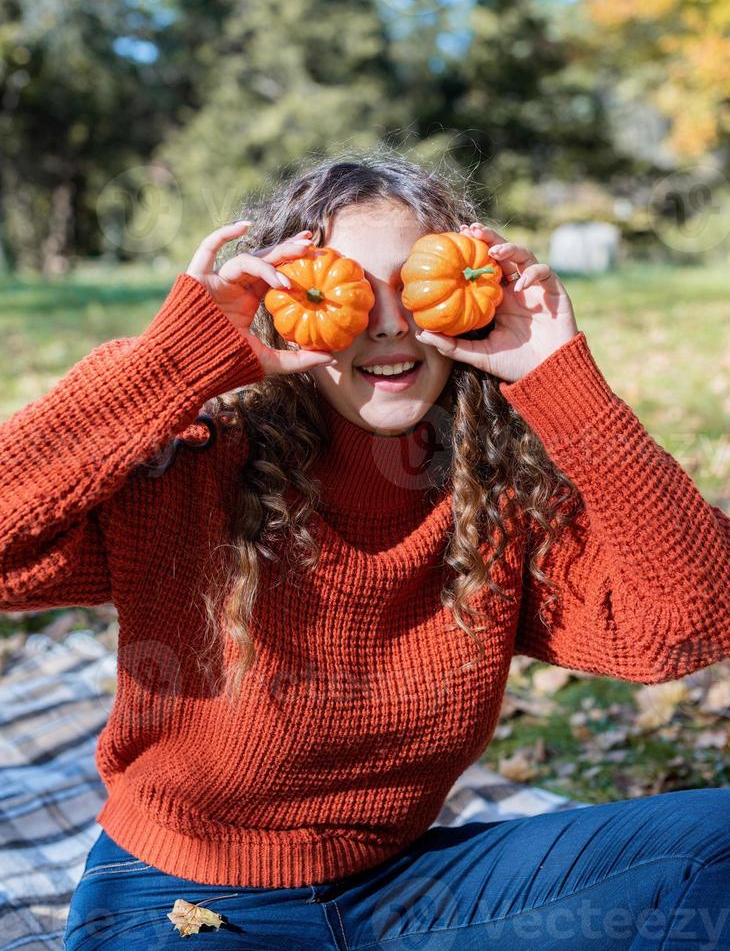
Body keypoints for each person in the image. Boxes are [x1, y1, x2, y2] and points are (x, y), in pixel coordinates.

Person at [1, 152, 728, 949]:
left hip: (410, 895)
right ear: (289, 300)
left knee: (713, 846)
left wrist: (561, 379)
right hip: (180, 903)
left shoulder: (493, 496)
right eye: (350, 289)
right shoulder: (194, 464)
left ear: (466, 293)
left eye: (415, 286)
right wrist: (168, 369)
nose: (387, 323)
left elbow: (693, 619)